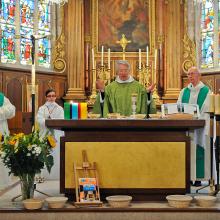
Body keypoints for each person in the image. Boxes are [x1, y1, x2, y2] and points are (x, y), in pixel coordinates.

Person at [177, 66, 211, 187]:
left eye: (192, 73)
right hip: (186, 126)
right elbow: (179, 108)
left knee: (199, 149)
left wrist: (197, 119)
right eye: (188, 74)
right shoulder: (183, 91)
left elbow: (207, 109)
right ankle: (186, 177)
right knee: (187, 149)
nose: (190, 76)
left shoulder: (206, 91)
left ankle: (198, 178)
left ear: (199, 75)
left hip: (200, 127)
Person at [36, 89, 64, 180]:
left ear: (55, 97)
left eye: (53, 96)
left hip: (56, 134)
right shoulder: (42, 108)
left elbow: (62, 120)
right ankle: (44, 175)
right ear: (46, 97)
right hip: (45, 133)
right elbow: (39, 119)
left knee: (56, 153)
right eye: (49, 96)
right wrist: (48, 122)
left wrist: (53, 122)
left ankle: (56, 174)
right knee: (45, 153)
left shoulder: (59, 108)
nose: (51, 98)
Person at [0, 92, 16, 190]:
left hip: (1, 130)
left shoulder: (1, 98)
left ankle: (3, 181)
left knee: (2, 155)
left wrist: (1, 111)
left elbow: (12, 111)